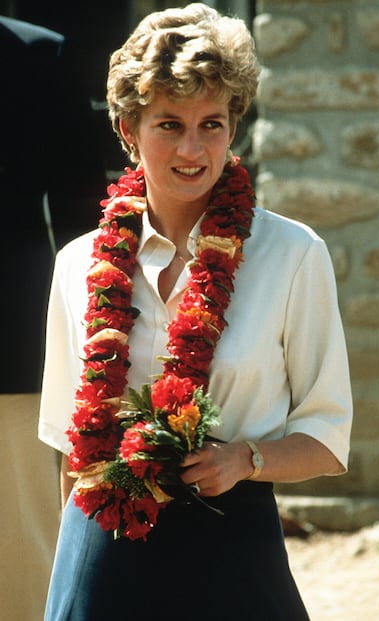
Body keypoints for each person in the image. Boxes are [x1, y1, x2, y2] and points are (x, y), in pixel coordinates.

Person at [38, 4, 353, 620]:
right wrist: (75, 578)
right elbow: (68, 456)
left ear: (234, 125)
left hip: (233, 551)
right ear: (128, 129)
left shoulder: (293, 255)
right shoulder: (77, 265)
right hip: (106, 545)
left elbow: (326, 438)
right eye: (168, 123)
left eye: (212, 123)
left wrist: (245, 459)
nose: (192, 148)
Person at [0, 15, 106, 620]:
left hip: (10, 342)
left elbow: (82, 218)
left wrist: (97, 332)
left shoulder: (41, 55)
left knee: (26, 551)